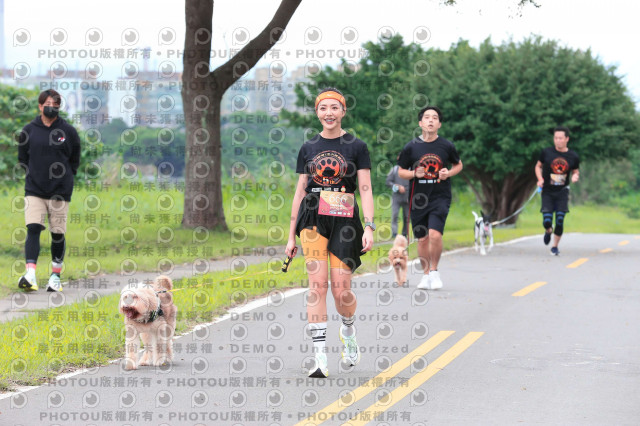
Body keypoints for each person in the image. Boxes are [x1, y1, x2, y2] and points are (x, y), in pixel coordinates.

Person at [285, 87, 374, 378]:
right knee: (317, 286)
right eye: (323, 108)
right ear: (317, 113)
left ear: (343, 111)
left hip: (345, 220)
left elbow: (365, 188)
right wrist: (290, 236)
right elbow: (300, 192)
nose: (329, 113)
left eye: (335, 108)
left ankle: (348, 331)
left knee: (341, 290)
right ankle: (320, 358)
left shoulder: (357, 146)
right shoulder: (308, 147)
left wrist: (369, 226)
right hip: (312, 218)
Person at [17, 89, 81, 292]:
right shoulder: (29, 130)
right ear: (40, 106)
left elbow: (75, 159)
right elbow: (22, 158)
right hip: (34, 189)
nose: (51, 108)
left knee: (57, 234)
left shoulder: (68, 131)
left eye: (55, 105)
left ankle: (55, 277)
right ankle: (30, 275)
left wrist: (64, 178)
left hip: (60, 192)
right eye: (48, 104)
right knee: (33, 228)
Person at [397, 106, 462, 290]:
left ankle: (434, 271)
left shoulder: (446, 146)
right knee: (423, 239)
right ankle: (426, 275)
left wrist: (448, 173)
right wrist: (414, 174)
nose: (431, 120)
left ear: (439, 124)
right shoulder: (411, 147)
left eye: (435, 118)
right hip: (418, 198)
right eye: (427, 117)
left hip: (440, 196)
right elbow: (401, 171)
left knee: (435, 234)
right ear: (420, 123)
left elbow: (458, 165)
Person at [534, 125, 580, 256]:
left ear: (567, 139)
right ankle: (548, 230)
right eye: (555, 138)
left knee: (560, 220)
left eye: (560, 138)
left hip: (562, 192)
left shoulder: (573, 156)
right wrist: (540, 179)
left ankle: (554, 246)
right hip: (547, 191)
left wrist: (575, 176)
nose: (558, 140)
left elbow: (575, 171)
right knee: (547, 220)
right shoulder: (546, 152)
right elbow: (538, 166)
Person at [386, 157, 409, 238]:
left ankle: (404, 233)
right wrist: (397, 187)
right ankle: (394, 233)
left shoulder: (410, 170)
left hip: (407, 197)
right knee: (395, 214)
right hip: (396, 196)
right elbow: (388, 182)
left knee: (407, 216)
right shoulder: (394, 169)